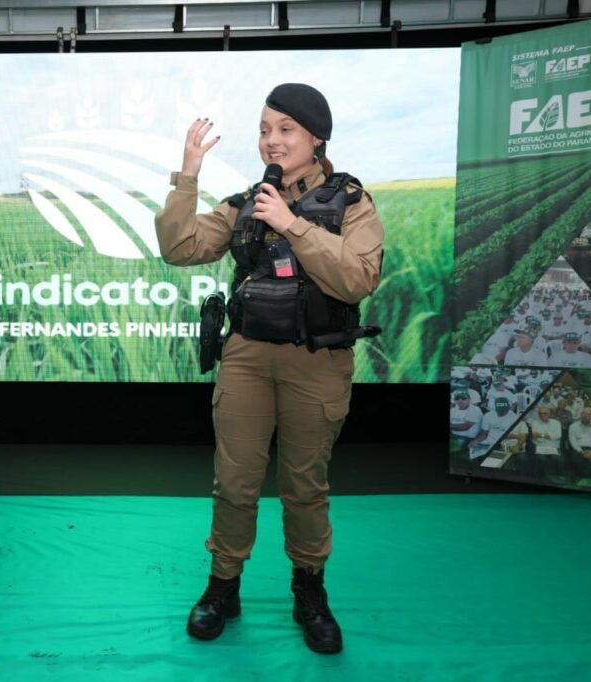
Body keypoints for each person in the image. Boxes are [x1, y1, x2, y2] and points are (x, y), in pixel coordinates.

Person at [154, 83, 384, 653]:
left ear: (316, 138)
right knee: (234, 481)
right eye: (263, 130)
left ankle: (310, 591)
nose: (271, 141)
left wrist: (293, 224)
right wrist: (188, 174)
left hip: (317, 361)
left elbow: (358, 279)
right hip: (248, 360)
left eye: (285, 129)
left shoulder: (350, 201)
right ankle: (222, 587)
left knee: (304, 485)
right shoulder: (245, 202)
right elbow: (179, 248)